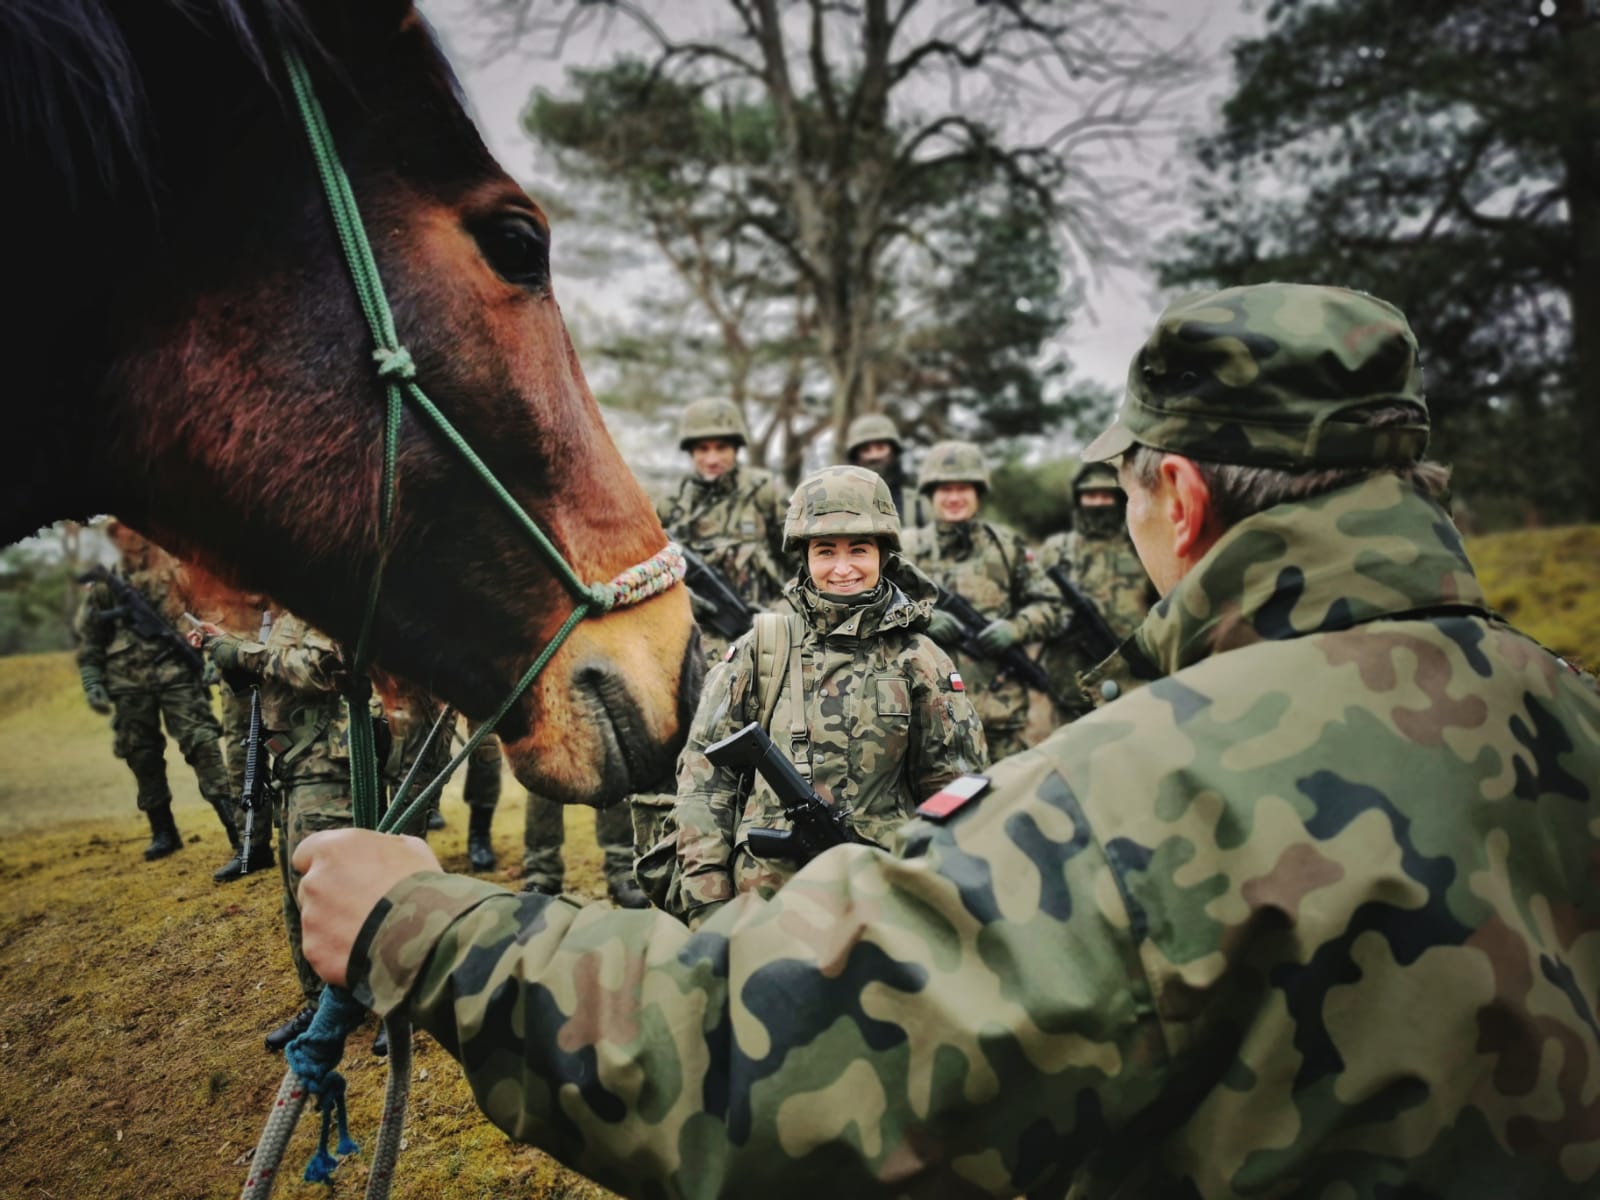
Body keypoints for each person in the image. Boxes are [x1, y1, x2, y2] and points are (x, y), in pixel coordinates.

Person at [293, 283, 1600, 1198]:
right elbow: (703, 771)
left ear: (1181, 498)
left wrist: (425, 923)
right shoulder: (1569, 707)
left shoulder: (1145, 780)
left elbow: (757, 1075)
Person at [664, 465, 987, 927]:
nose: (842, 568)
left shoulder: (920, 659)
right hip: (763, 909)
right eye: (824, 551)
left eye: (858, 549)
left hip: (881, 905)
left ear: (883, 554)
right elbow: (704, 783)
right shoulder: (762, 649)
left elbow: (955, 794)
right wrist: (708, 905)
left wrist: (940, 903)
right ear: (804, 557)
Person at [192, 608, 381, 1054]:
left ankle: (368, 1002)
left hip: (328, 770)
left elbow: (321, 669)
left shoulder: (320, 598)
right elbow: (274, 672)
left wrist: (241, 653)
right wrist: (228, 647)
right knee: (297, 896)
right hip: (294, 767)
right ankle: (322, 1002)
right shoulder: (280, 613)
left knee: (334, 896)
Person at [73, 520, 239, 864]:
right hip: (127, 684)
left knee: (203, 743)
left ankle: (237, 828)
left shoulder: (178, 574)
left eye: (133, 532)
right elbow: (90, 640)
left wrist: (215, 659)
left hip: (178, 675)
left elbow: (212, 617)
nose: (129, 540)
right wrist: (93, 683)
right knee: (140, 753)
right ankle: (163, 831)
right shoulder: (106, 584)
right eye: (119, 534)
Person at [900, 441, 1066, 759]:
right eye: (944, 489)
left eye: (963, 488)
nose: (954, 498)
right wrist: (922, 617)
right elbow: (873, 604)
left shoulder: (1006, 547)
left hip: (999, 720)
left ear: (978, 492)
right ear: (930, 494)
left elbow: (1053, 606)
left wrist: (1016, 628)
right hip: (927, 718)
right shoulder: (907, 551)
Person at [655, 397, 790, 664]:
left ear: (736, 448)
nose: (712, 459)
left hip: (764, 638)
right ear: (691, 452)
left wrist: (781, 616)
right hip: (693, 643)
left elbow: (805, 564)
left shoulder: (765, 493)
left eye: (722, 447)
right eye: (703, 449)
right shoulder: (671, 504)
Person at [1036, 461, 1157, 723]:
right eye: (1090, 495)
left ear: (1118, 499)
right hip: (1069, 685)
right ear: (1079, 499)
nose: (1098, 502)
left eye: (1105, 495)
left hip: (1132, 682)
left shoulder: (1140, 547)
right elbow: (1031, 606)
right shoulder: (1055, 550)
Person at [840, 411, 933, 528]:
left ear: (893, 450)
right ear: (856, 457)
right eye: (866, 450)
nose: (874, 456)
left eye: (880, 447)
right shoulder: (841, 501)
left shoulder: (919, 499)